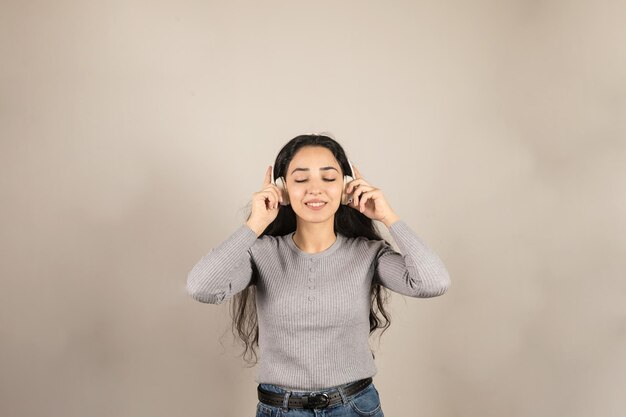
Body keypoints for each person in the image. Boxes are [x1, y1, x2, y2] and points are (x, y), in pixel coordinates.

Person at [186, 133, 451, 416]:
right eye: (301, 180)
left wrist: (388, 215)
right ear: (283, 189)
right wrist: (255, 223)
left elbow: (434, 282)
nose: (315, 189)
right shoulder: (260, 253)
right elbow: (202, 287)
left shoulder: (368, 253)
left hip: (354, 408)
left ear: (347, 187)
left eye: (328, 178)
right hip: (281, 410)